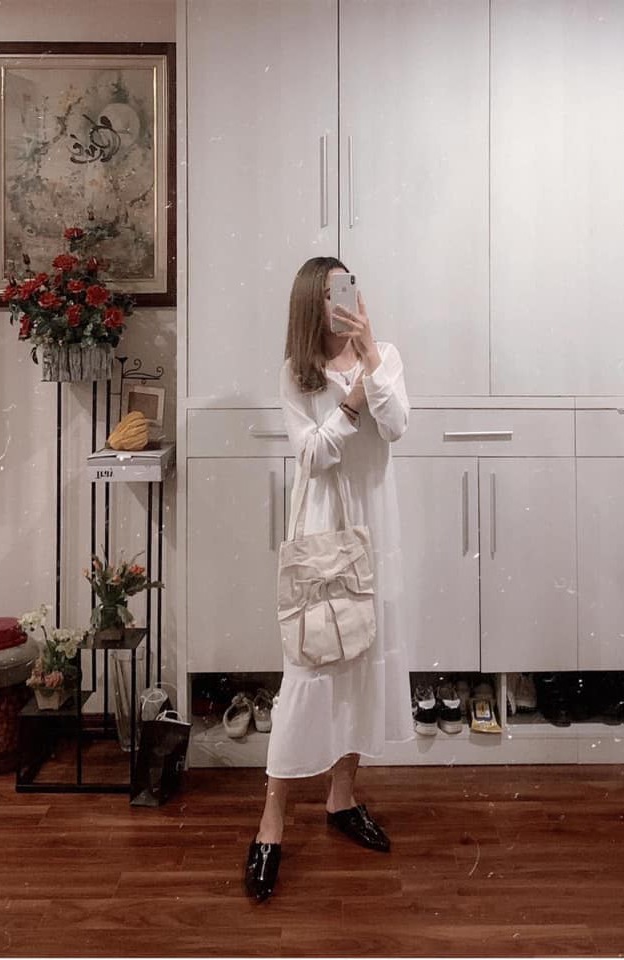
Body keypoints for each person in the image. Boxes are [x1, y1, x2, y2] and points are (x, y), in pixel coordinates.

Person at [244, 256, 415, 902]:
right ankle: (272, 821)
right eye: (331, 293)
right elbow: (313, 455)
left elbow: (397, 426)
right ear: (310, 305)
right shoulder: (297, 373)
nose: (345, 301)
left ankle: (342, 798)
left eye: (350, 287)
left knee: (363, 659)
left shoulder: (384, 357)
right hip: (323, 530)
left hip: (375, 531)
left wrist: (369, 359)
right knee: (309, 670)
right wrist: (349, 401)